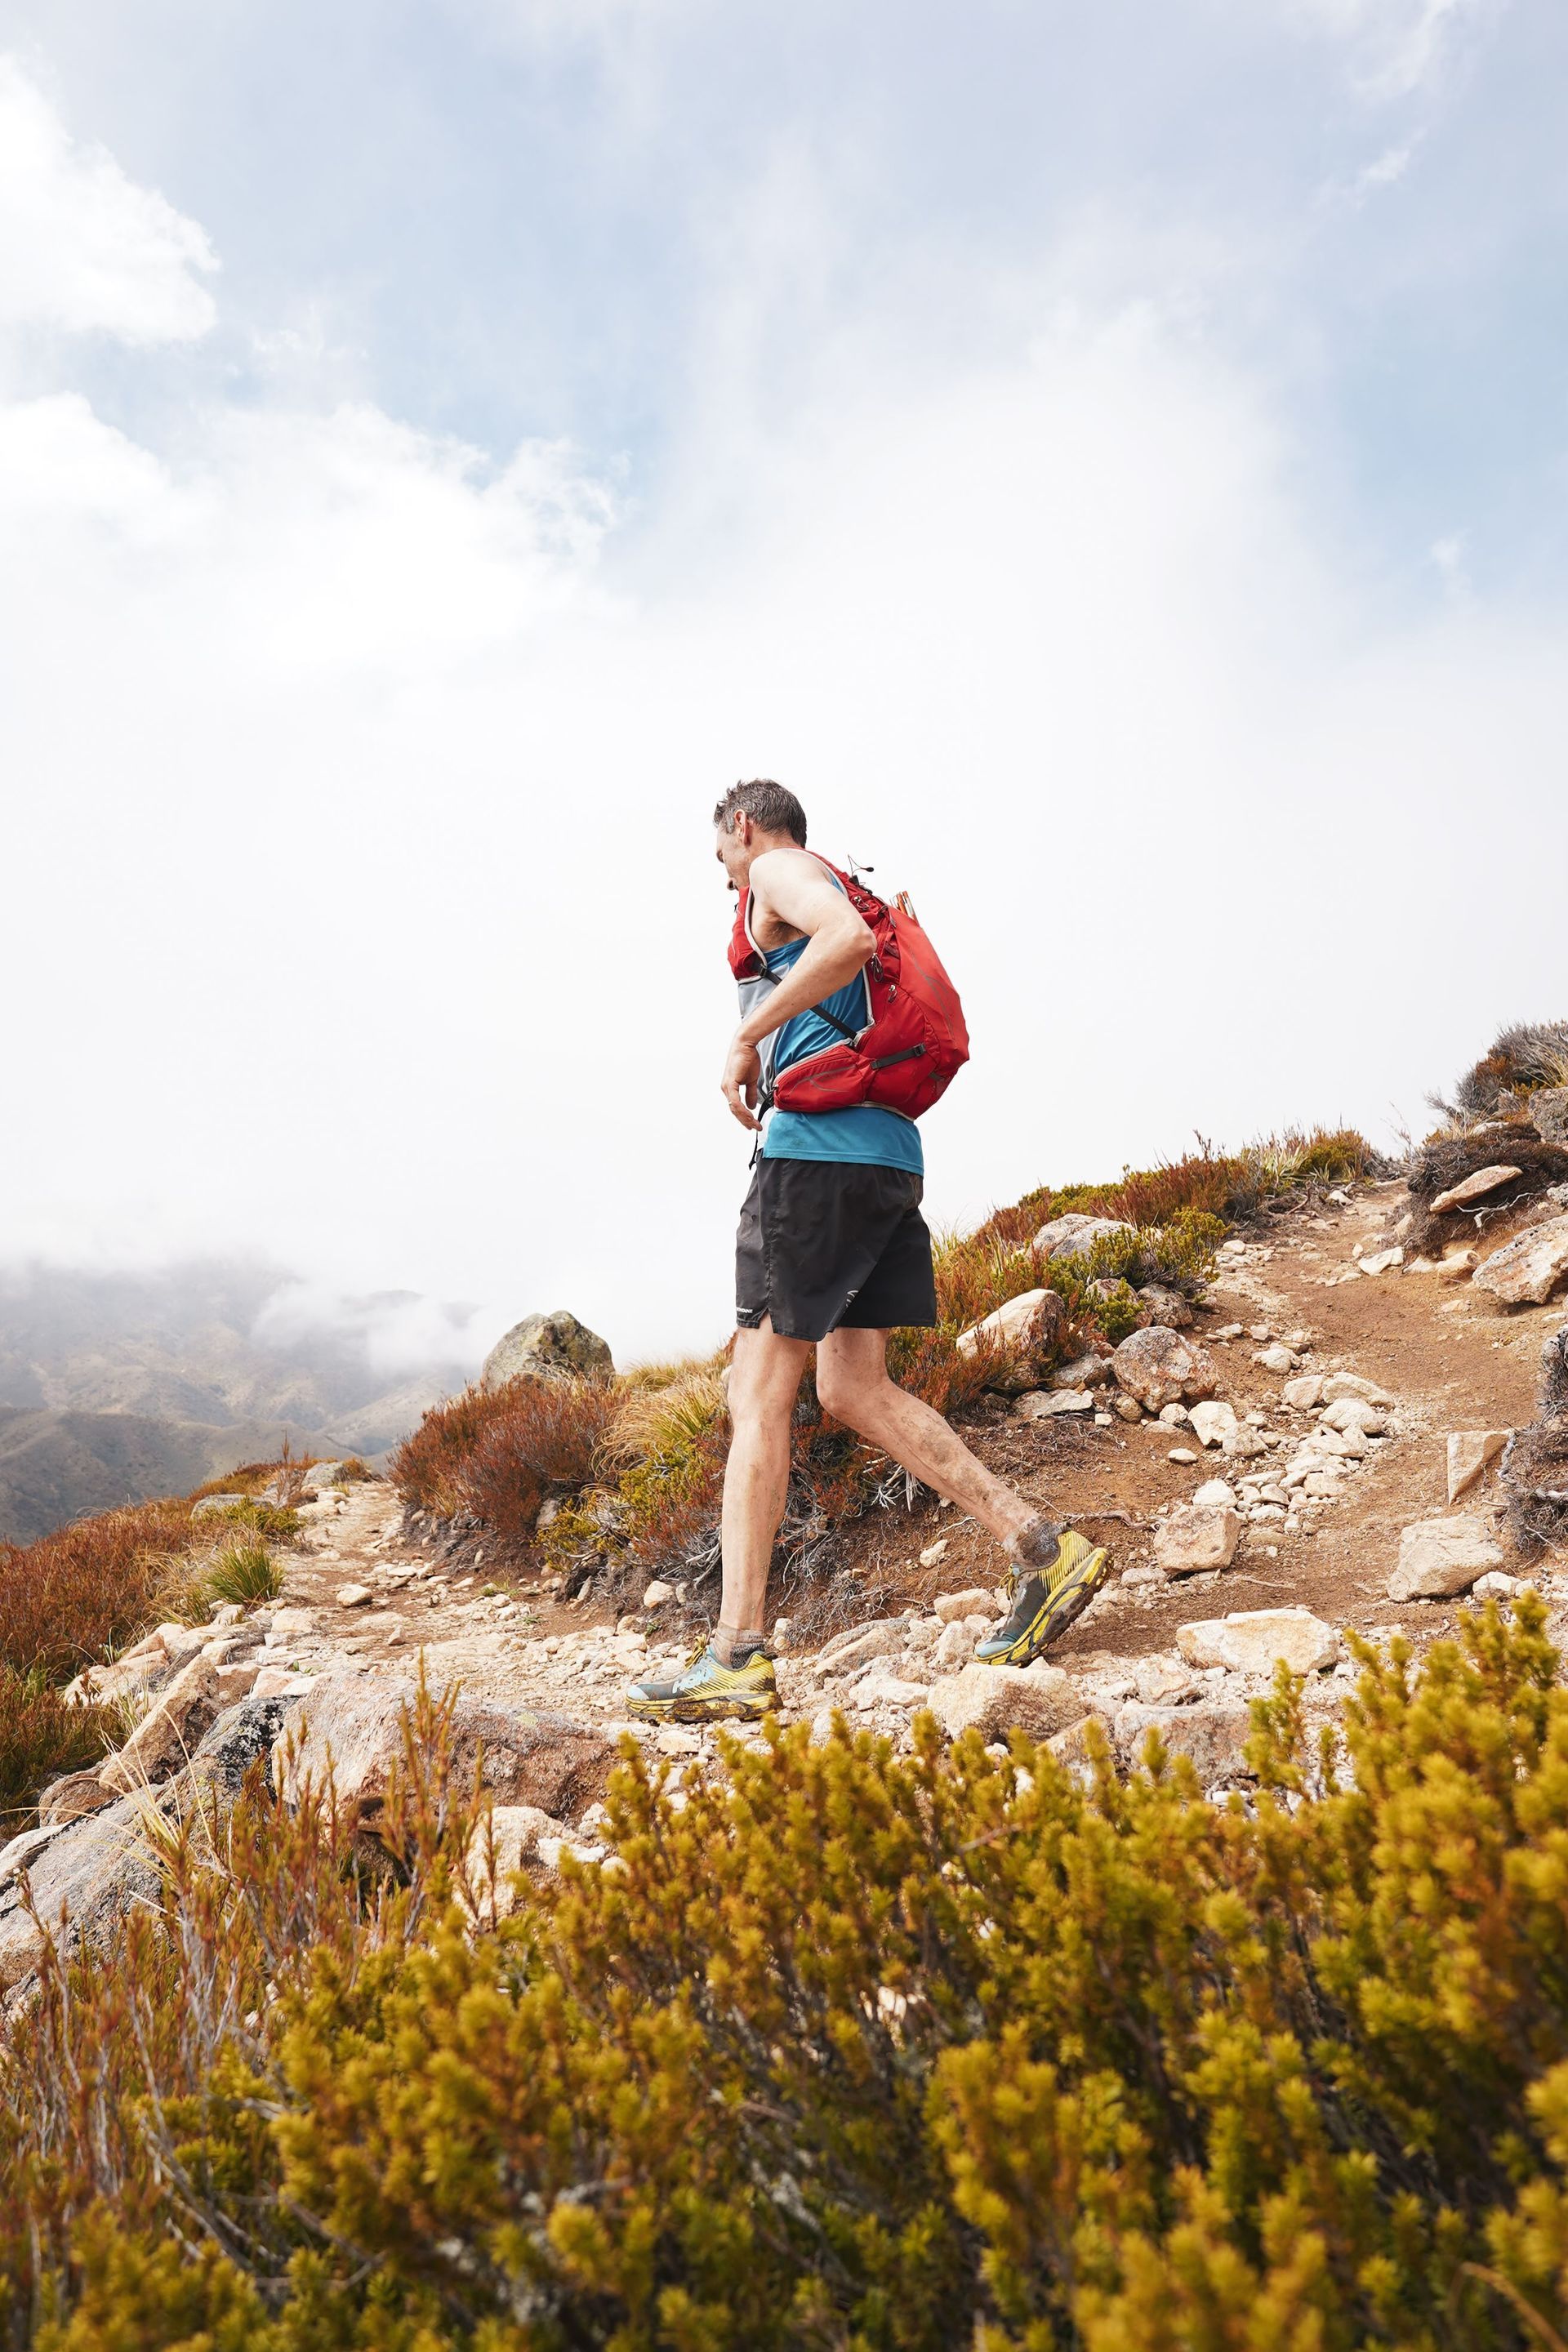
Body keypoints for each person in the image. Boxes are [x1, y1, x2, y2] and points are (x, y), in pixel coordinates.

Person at [629, 780, 1108, 1721]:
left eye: (719, 854)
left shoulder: (778, 869)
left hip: (814, 1171)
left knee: (757, 1391)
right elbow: (849, 958)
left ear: (742, 827)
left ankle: (736, 1653)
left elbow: (844, 940)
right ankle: (1045, 1550)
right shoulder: (844, 888)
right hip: (886, 1160)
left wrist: (743, 1035)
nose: (724, 875)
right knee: (852, 1390)